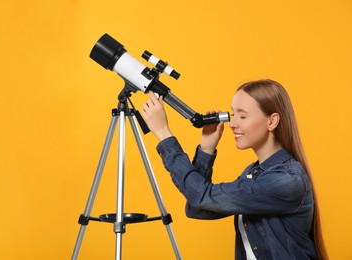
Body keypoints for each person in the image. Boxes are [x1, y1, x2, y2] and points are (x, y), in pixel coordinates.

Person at [140, 79, 328, 260]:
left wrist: (164, 134)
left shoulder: (287, 180)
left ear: (272, 121)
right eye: (233, 114)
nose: (232, 123)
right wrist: (206, 150)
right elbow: (198, 208)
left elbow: (201, 196)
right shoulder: (254, 173)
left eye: (243, 116)